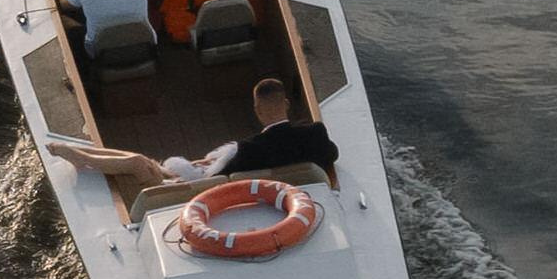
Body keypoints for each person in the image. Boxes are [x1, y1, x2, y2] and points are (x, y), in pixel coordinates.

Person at [48, 77, 341, 192]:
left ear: (257, 109)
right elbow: (332, 155)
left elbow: (216, 180)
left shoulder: (247, 150)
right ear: (287, 105)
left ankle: (80, 156)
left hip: (197, 194)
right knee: (141, 161)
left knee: (139, 163)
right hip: (270, 190)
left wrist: (191, 170)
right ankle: (84, 156)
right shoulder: (315, 134)